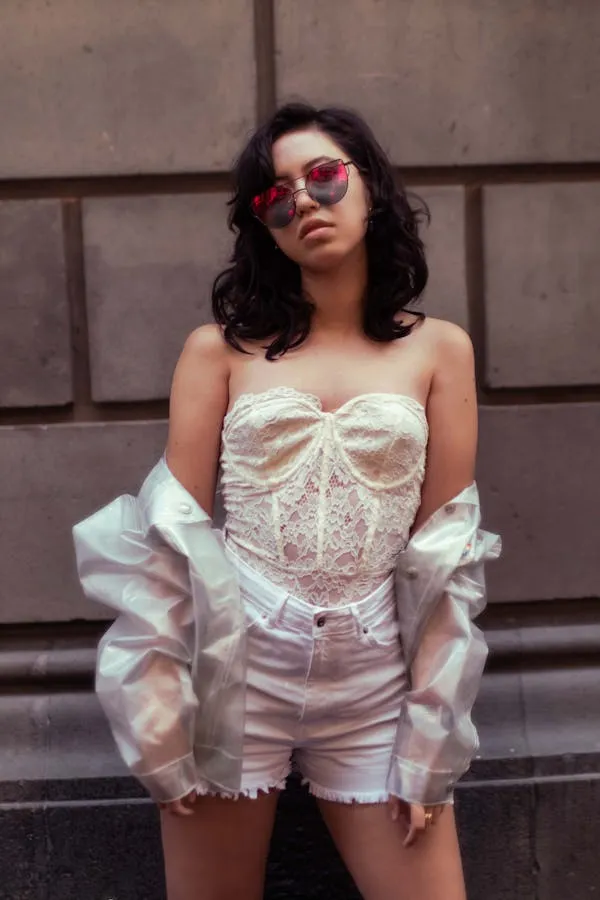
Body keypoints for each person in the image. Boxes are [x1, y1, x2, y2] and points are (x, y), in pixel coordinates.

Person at [73, 102, 500, 900]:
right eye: (275, 195)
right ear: (264, 227)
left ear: (369, 188)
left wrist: (431, 738)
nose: (302, 200)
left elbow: (446, 550)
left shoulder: (440, 349)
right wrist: (159, 720)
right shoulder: (218, 352)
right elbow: (169, 538)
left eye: (324, 176)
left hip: (374, 686)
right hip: (237, 679)